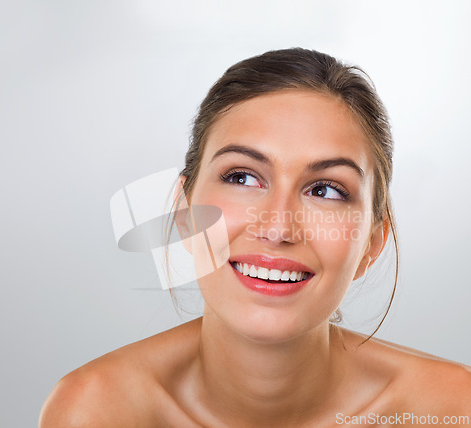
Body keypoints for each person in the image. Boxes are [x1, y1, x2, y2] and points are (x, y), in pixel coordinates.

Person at [39, 48, 471, 427]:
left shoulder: (452, 409)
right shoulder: (97, 411)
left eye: (325, 190)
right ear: (185, 213)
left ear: (372, 246)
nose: (279, 228)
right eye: (242, 177)